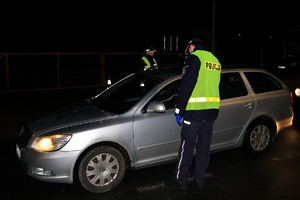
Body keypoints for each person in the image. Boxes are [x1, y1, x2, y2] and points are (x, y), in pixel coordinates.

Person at [165, 37, 221, 190]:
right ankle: (199, 180)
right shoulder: (215, 60)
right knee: (204, 148)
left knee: (186, 147)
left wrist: (179, 109)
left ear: (192, 46)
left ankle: (181, 181)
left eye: (188, 47)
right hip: (211, 112)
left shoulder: (195, 57)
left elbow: (187, 85)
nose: (188, 50)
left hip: (194, 112)